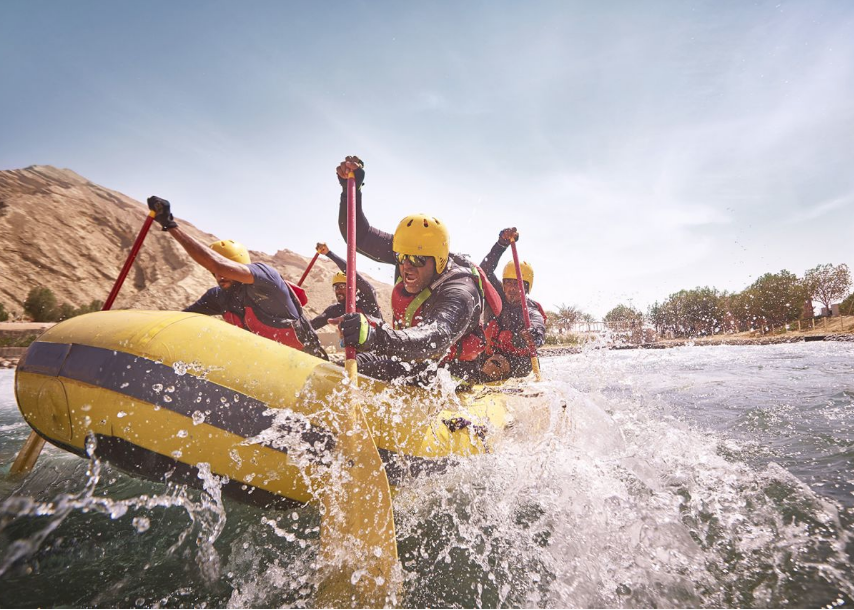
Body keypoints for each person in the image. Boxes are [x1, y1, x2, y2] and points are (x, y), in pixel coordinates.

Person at [331, 156, 501, 384]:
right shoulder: (410, 252)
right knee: (342, 370)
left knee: (384, 368)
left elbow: (435, 338)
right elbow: (359, 236)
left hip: (452, 373)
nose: (406, 267)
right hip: (407, 356)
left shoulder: (461, 291)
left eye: (417, 260)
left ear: (438, 260)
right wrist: (350, 190)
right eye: (401, 258)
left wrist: (373, 336)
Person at [146, 196, 328, 360]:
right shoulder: (217, 296)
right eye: (215, 272)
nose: (218, 275)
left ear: (238, 266)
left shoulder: (266, 277)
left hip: (308, 360)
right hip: (269, 365)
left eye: (225, 269)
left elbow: (217, 264)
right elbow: (181, 319)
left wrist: (170, 225)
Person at [479, 227, 546, 380]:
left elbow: (538, 327)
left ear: (527, 287)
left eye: (517, 284)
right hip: (494, 354)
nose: (511, 288)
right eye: (508, 283)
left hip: (521, 363)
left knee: (493, 366)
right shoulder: (499, 297)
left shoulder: (530, 310)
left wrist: (533, 335)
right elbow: (484, 271)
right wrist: (501, 244)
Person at [310, 243, 383, 330]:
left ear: (354, 287)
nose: (337, 291)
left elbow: (352, 273)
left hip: (380, 341)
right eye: (335, 287)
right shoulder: (336, 309)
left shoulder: (367, 298)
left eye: (341, 286)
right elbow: (312, 326)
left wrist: (329, 254)